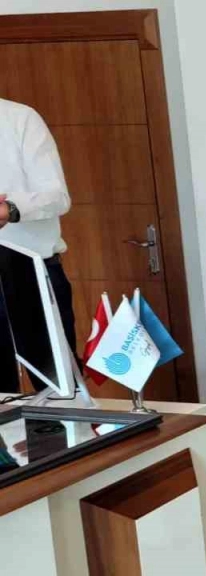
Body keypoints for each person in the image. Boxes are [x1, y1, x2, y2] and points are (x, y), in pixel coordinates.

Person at [0, 97, 74, 392]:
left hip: (30, 274)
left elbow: (57, 196)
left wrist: (11, 209)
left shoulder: (19, 118)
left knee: (58, 388)